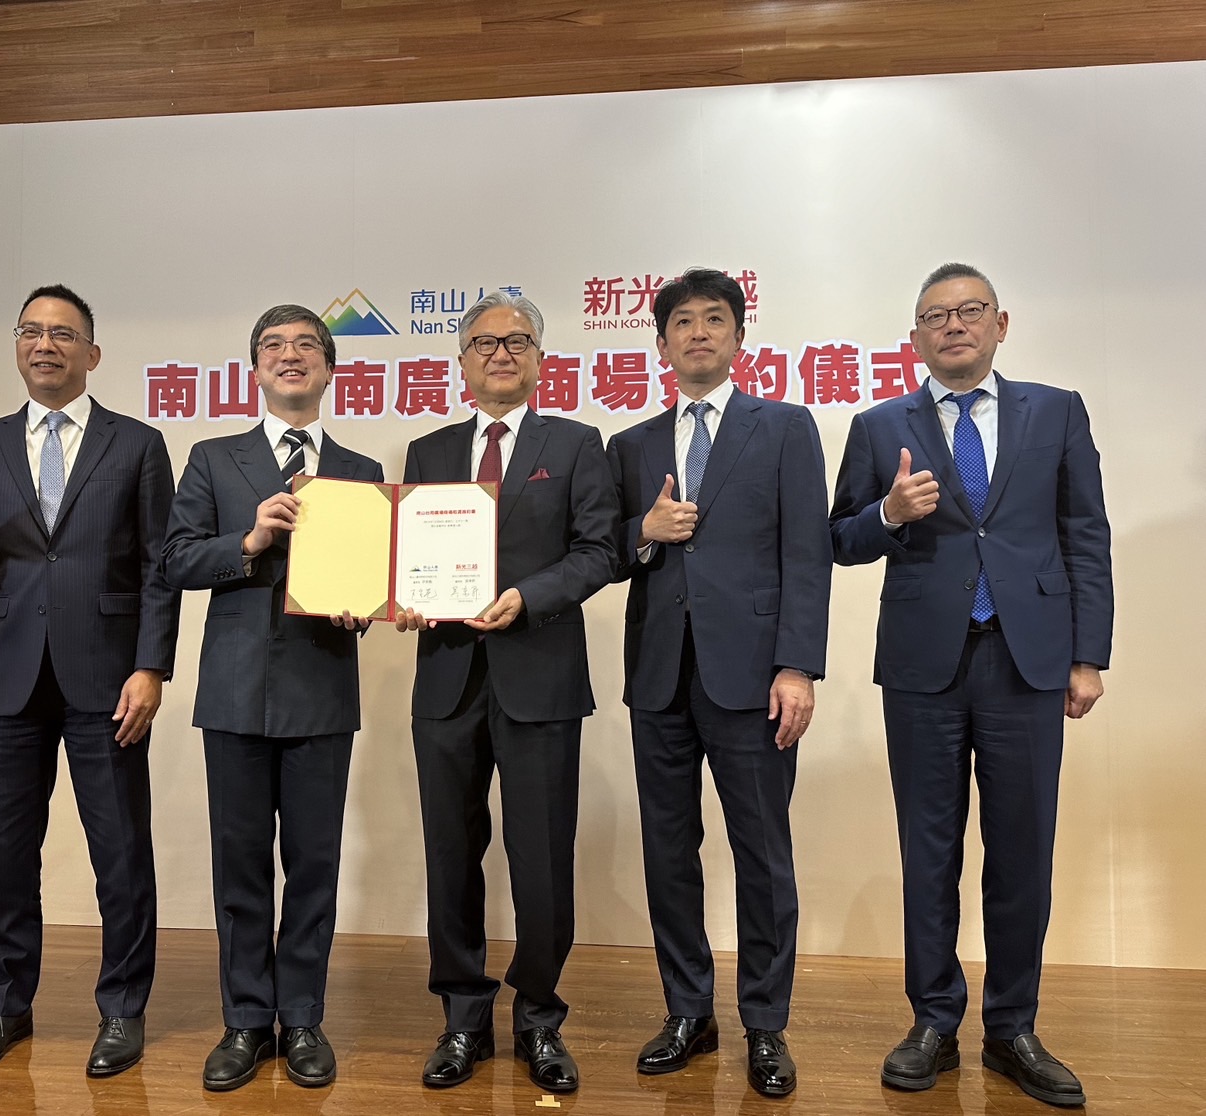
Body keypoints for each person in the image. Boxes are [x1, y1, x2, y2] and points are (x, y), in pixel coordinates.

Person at [830, 263, 1112, 1108]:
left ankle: (1014, 1027)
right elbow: (838, 538)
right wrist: (889, 514)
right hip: (924, 665)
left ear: (1000, 324)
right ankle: (932, 1023)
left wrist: (1087, 655)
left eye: (969, 311)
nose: (953, 325)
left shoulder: (1056, 411)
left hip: (1028, 660)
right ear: (915, 337)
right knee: (930, 850)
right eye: (935, 316)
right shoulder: (879, 425)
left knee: (1023, 851)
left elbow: (1085, 534)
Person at [0, 284, 180, 1077]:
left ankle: (122, 1009)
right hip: (10, 682)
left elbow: (160, 567)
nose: (45, 344)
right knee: (7, 853)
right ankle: (5, 1006)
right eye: (31, 331)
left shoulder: (137, 444)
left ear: (92, 353)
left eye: (62, 333)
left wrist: (151, 667)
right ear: (18, 347)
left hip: (109, 680)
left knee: (120, 853)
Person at [605, 268, 831, 1099]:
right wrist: (643, 530)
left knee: (762, 853)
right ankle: (687, 1012)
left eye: (713, 319)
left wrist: (797, 665)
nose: (697, 333)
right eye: (682, 323)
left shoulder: (785, 428)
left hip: (755, 677)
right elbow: (603, 550)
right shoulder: (630, 445)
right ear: (661, 343)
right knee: (669, 852)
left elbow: (807, 553)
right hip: (660, 677)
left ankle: (765, 1023)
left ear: (738, 335)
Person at [395, 290, 618, 1094]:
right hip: (447, 679)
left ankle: (538, 1018)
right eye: (484, 343)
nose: (500, 353)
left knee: (542, 858)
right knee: (450, 854)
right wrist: (400, 596)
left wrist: (530, 596)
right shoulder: (428, 450)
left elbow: (599, 550)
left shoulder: (576, 443)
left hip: (540, 676)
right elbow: (407, 555)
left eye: (517, 341)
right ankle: (462, 1017)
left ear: (540, 360)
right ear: (461, 362)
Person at [162, 305, 383, 1092]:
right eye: (273, 346)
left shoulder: (360, 469)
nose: (291, 356)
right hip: (233, 692)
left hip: (322, 687)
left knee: (314, 866)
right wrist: (250, 541)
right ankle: (247, 1022)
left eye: (306, 345)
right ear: (255, 369)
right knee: (242, 869)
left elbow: (370, 576)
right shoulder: (212, 458)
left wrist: (366, 605)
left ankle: (304, 1018)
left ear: (329, 368)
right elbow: (176, 559)